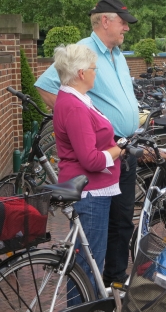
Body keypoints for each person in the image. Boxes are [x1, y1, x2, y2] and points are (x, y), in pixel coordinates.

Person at [35, 0, 139, 286]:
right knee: (94, 232)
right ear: (105, 21)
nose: (126, 29)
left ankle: (113, 281)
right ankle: (89, 289)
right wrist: (81, 121)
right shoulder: (83, 52)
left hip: (120, 151)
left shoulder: (118, 54)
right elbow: (45, 88)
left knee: (121, 222)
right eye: (122, 23)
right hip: (100, 156)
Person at [52, 44, 122, 302]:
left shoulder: (78, 100)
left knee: (89, 263)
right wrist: (117, 150)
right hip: (90, 192)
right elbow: (91, 159)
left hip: (93, 189)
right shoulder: (75, 106)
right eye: (94, 68)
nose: (96, 73)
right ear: (81, 73)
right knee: (87, 267)